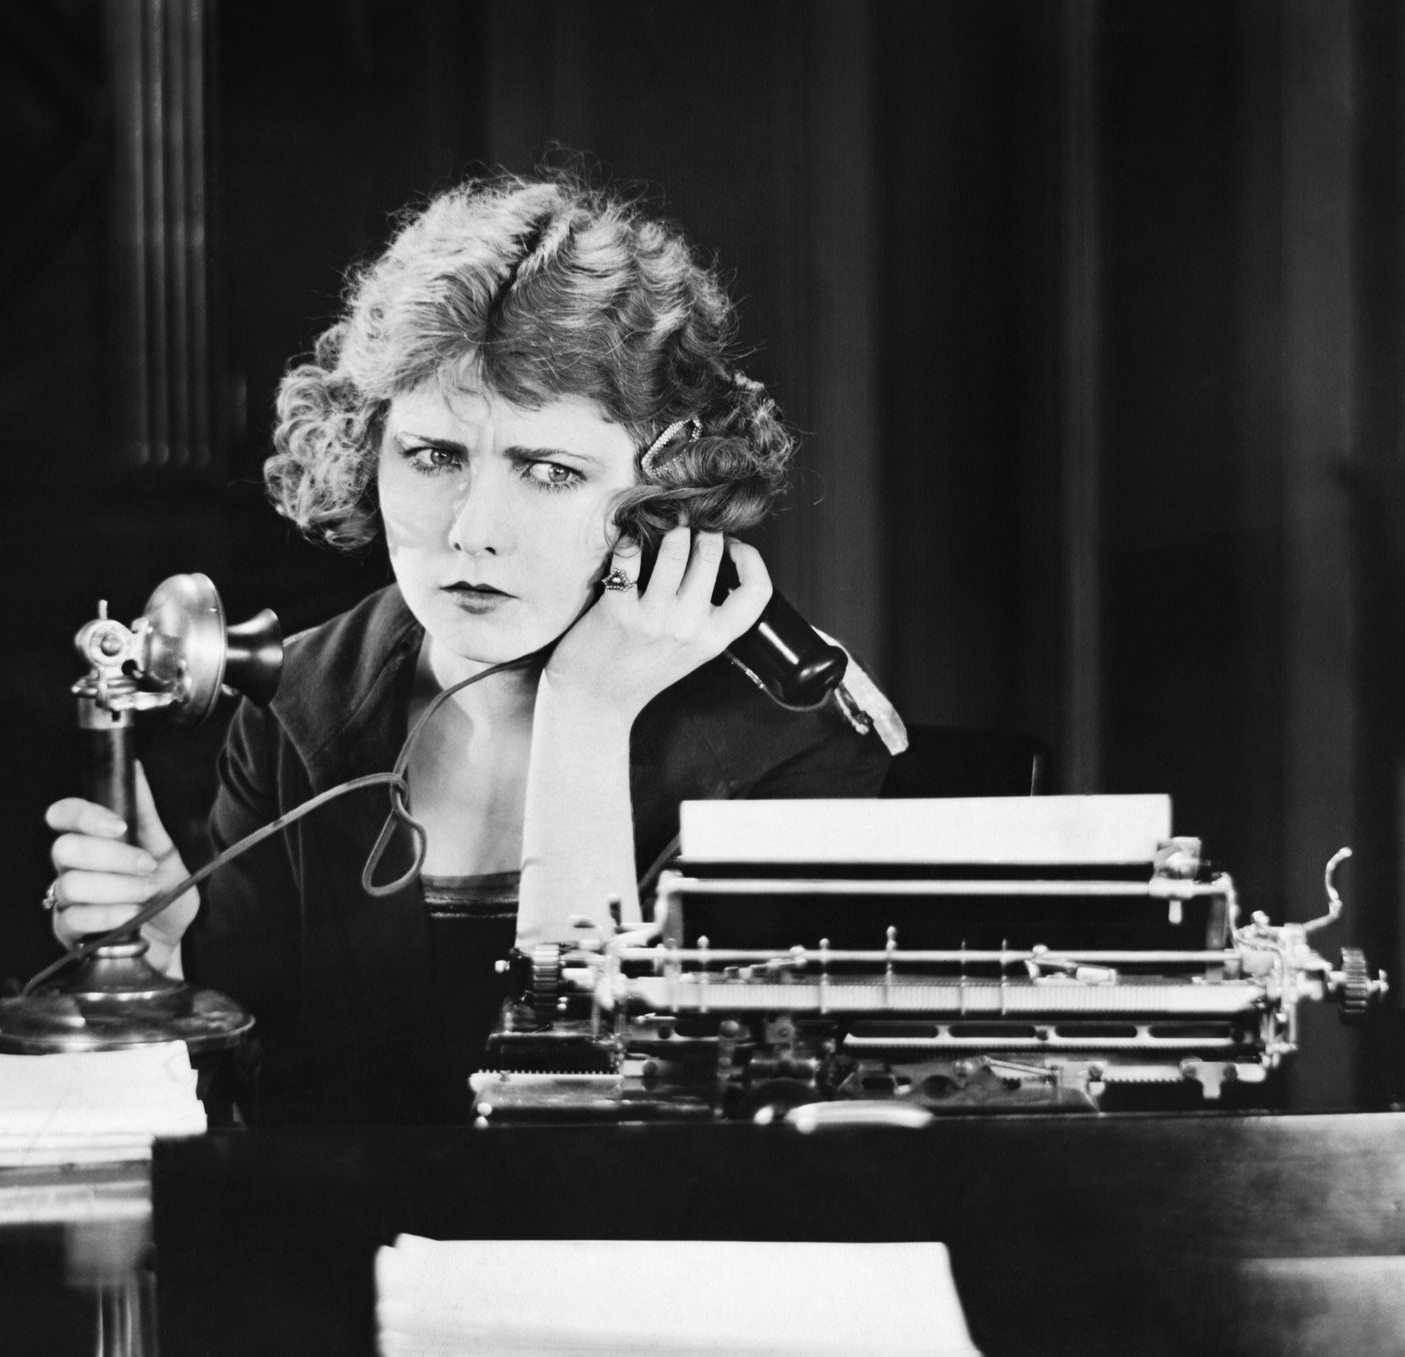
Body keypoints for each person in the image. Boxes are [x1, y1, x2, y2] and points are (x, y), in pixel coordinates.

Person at [44, 173, 903, 1124]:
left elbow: (655, 1142)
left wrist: (587, 712)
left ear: (666, 489)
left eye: (548, 471)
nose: (472, 532)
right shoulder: (301, 701)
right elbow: (268, 1125)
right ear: (369, 446)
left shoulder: (791, 742)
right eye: (435, 456)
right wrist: (172, 959)